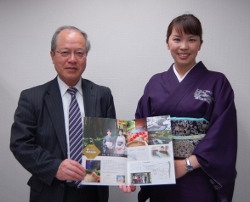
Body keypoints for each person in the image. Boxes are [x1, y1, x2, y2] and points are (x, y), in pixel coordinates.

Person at [119, 14, 237, 202]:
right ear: (167, 43)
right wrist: (131, 172)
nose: (184, 46)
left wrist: (187, 165)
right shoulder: (155, 83)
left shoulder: (217, 82)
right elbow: (140, 133)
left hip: (199, 177)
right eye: (177, 39)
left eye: (191, 39)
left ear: (200, 44)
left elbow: (223, 136)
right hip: (161, 177)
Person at [10, 26, 116, 202]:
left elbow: (110, 142)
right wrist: (54, 167)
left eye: (79, 53)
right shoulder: (32, 97)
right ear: (52, 56)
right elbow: (20, 144)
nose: (72, 59)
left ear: (86, 57)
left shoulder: (102, 95)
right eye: (65, 52)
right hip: (49, 192)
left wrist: (124, 173)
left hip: (92, 194)